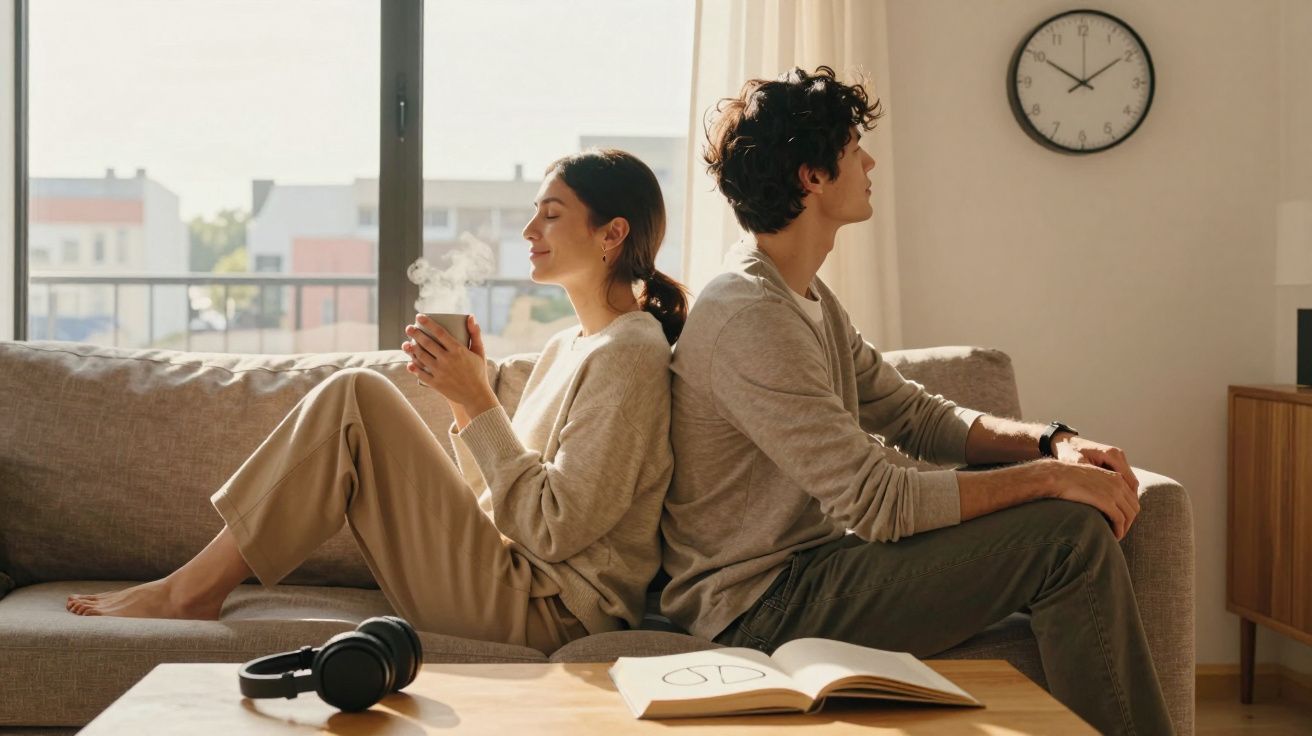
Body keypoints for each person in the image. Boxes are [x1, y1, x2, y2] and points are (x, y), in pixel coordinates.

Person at [659, 66, 1173, 734]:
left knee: (1065, 519)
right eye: (853, 149)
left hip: (813, 570)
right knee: (1066, 539)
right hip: (759, 607)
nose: (870, 163)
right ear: (812, 177)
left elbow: (915, 417)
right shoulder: (749, 315)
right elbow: (878, 502)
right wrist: (1047, 479)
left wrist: (1054, 443)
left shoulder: (805, 297)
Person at [67, 148, 689, 656]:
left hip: (551, 614)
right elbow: (500, 506)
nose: (529, 231)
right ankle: (191, 588)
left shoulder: (630, 353)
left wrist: (480, 398)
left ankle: (189, 592)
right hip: (508, 578)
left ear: (612, 234)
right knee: (356, 397)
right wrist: (463, 401)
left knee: (357, 397)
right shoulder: (566, 347)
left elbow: (553, 530)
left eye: (550, 215)